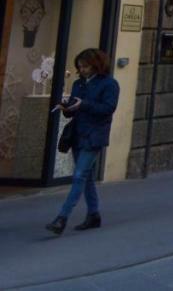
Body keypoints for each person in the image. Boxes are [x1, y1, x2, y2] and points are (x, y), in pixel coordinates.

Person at [45, 49, 119, 235]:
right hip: (78, 134)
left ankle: (62, 217)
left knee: (79, 176)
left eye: (86, 66)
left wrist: (83, 105)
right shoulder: (79, 84)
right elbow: (73, 109)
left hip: (94, 136)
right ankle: (94, 215)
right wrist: (66, 107)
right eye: (80, 67)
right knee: (86, 178)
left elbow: (108, 108)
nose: (83, 70)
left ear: (97, 65)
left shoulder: (109, 84)